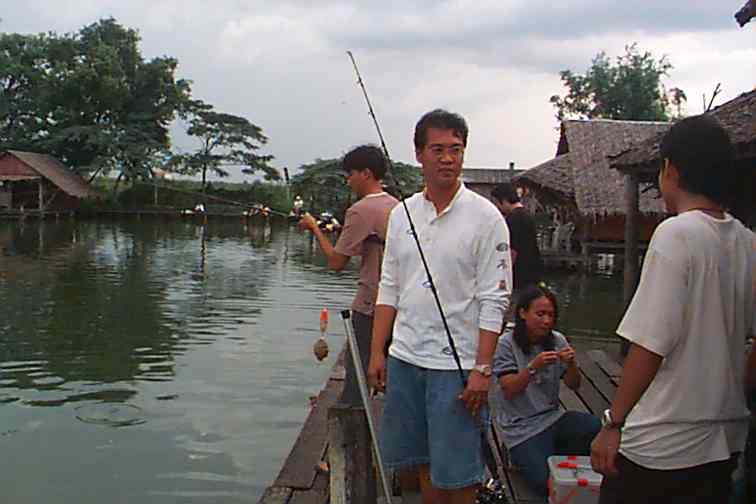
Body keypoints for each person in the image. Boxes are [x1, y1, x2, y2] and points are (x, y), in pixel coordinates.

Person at [590, 114, 756, 504]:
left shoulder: (676, 234)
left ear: (671, 170)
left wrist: (613, 423)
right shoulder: (748, 242)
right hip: (724, 440)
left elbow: (649, 345)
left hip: (663, 443)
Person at [368, 109, 512, 504]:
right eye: (438, 149)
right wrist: (378, 351)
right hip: (406, 358)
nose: (448, 158)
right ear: (419, 154)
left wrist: (483, 368)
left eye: (456, 149)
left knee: (460, 472)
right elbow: (389, 285)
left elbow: (495, 298)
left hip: (458, 367)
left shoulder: (487, 218)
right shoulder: (401, 215)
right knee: (422, 465)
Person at [299, 144, 398, 405]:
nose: (348, 179)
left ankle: (352, 433)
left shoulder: (360, 210)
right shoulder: (397, 205)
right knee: (389, 373)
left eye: (351, 173)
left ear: (366, 173)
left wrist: (313, 228)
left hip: (370, 304)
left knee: (358, 379)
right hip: (398, 304)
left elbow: (335, 263)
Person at [489, 284, 600, 497]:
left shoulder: (557, 340)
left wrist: (571, 364)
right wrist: (533, 367)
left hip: (553, 417)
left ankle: (549, 452)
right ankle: (521, 456)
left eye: (551, 315)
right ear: (522, 313)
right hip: (521, 428)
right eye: (540, 314)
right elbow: (509, 389)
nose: (547, 321)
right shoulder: (505, 344)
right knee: (544, 483)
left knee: (598, 430)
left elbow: (574, 385)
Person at [491, 182, 542, 292]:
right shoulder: (527, 215)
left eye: (496, 203)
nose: (496, 207)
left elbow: (512, 252)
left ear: (503, 200)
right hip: (531, 274)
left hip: (519, 278)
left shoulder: (513, 219)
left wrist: (502, 276)